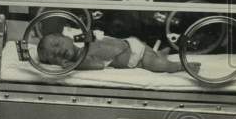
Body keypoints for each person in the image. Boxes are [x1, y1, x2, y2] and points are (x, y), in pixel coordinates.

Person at [37, 32, 200, 74]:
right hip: (134, 51)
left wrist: (74, 65)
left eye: (57, 44)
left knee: (158, 65)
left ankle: (178, 66)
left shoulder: (83, 50)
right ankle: (162, 55)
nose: (58, 51)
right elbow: (98, 65)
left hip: (135, 51)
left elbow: (98, 64)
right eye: (54, 57)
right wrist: (73, 66)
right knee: (155, 60)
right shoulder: (82, 58)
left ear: (67, 37)